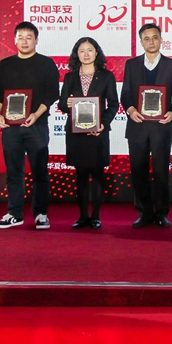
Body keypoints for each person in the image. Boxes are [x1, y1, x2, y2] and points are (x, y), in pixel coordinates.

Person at [0, 22, 59, 230]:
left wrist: (36, 114)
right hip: (10, 127)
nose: (24, 41)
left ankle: (41, 214)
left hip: (37, 125)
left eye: (29, 37)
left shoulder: (46, 64)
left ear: (36, 40)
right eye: (20, 37)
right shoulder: (5, 64)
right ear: (14, 40)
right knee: (14, 172)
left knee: (40, 172)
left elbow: (52, 94)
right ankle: (14, 213)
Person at [121, 23, 172, 229]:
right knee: (138, 172)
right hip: (137, 126)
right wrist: (131, 109)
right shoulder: (131, 65)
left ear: (161, 40)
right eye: (146, 38)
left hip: (161, 127)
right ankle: (144, 213)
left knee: (161, 173)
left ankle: (162, 213)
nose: (151, 41)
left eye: (155, 37)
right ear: (141, 42)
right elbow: (126, 94)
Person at [58, 38, 118, 230]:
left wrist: (103, 124)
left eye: (89, 50)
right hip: (76, 133)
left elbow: (113, 105)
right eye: (81, 50)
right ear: (76, 54)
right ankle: (83, 216)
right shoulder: (70, 77)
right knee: (81, 175)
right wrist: (67, 104)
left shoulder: (106, 76)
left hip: (97, 133)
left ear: (96, 52)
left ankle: (96, 216)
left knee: (97, 174)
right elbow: (62, 104)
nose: (86, 54)